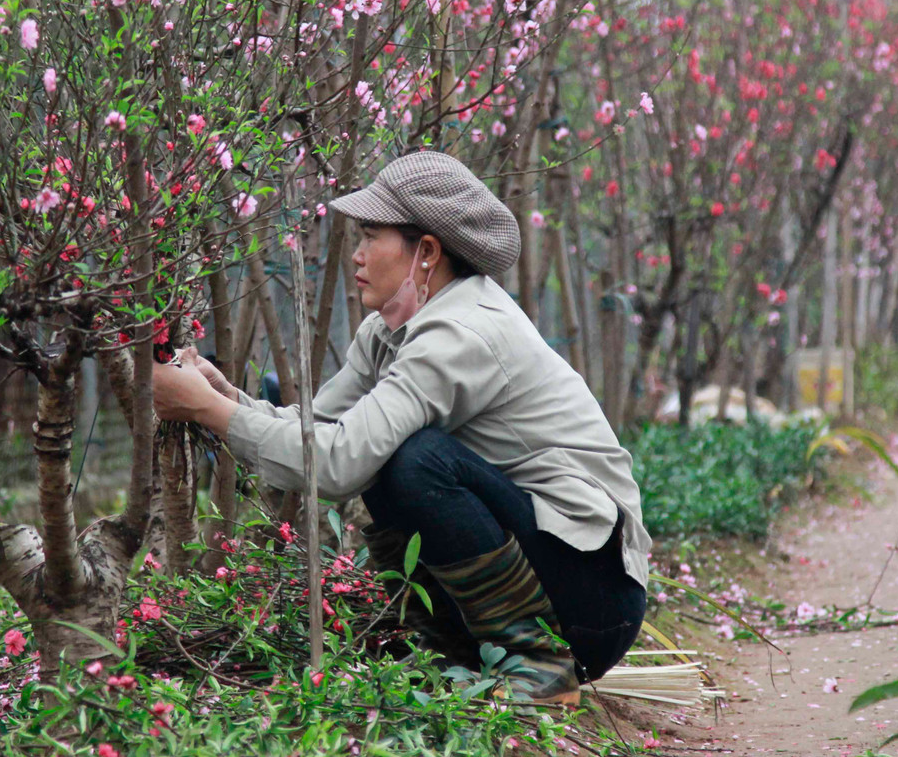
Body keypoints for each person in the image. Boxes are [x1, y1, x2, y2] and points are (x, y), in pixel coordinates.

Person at [152, 151, 649, 705]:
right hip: (546, 573)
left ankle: (538, 666)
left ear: (427, 252)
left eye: (371, 236)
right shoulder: (390, 329)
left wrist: (205, 411)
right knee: (389, 452)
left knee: (415, 460)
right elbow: (323, 431)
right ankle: (451, 651)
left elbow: (336, 465)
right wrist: (226, 398)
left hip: (594, 600)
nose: (357, 254)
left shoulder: (461, 333)